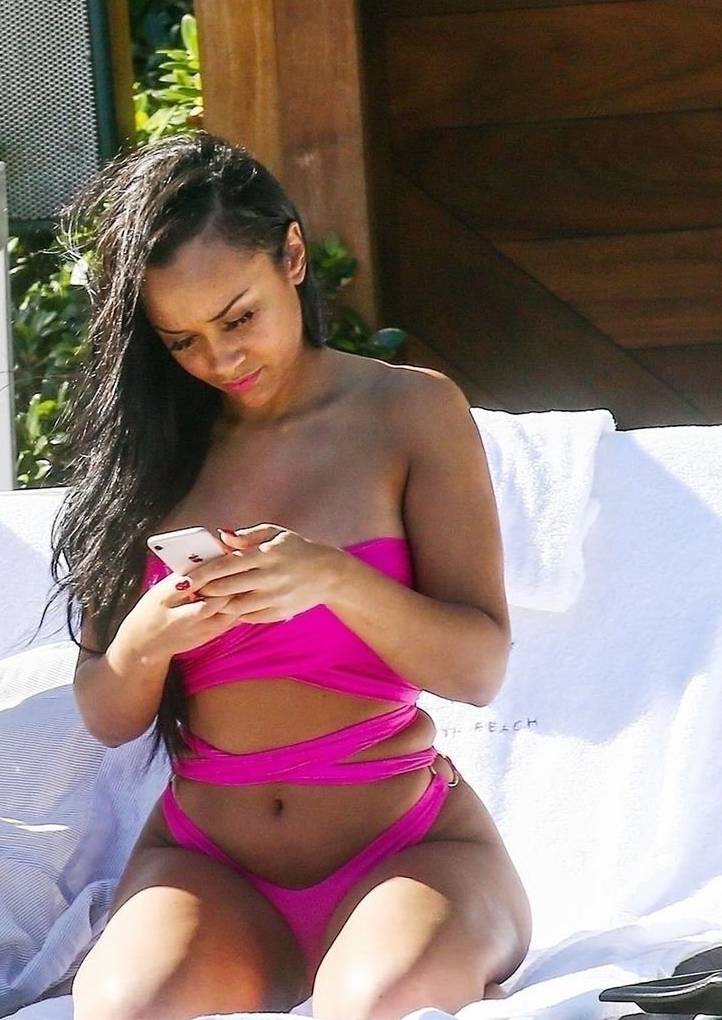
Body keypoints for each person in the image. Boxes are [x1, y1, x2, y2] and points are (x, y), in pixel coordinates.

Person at [55, 134, 531, 1019]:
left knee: (380, 1001)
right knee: (126, 1009)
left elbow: (479, 668)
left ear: (293, 258)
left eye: (239, 318)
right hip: (210, 864)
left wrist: (334, 580)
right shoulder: (149, 454)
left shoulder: (409, 411)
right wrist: (147, 641)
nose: (220, 360)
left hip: (408, 850)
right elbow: (107, 717)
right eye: (182, 340)